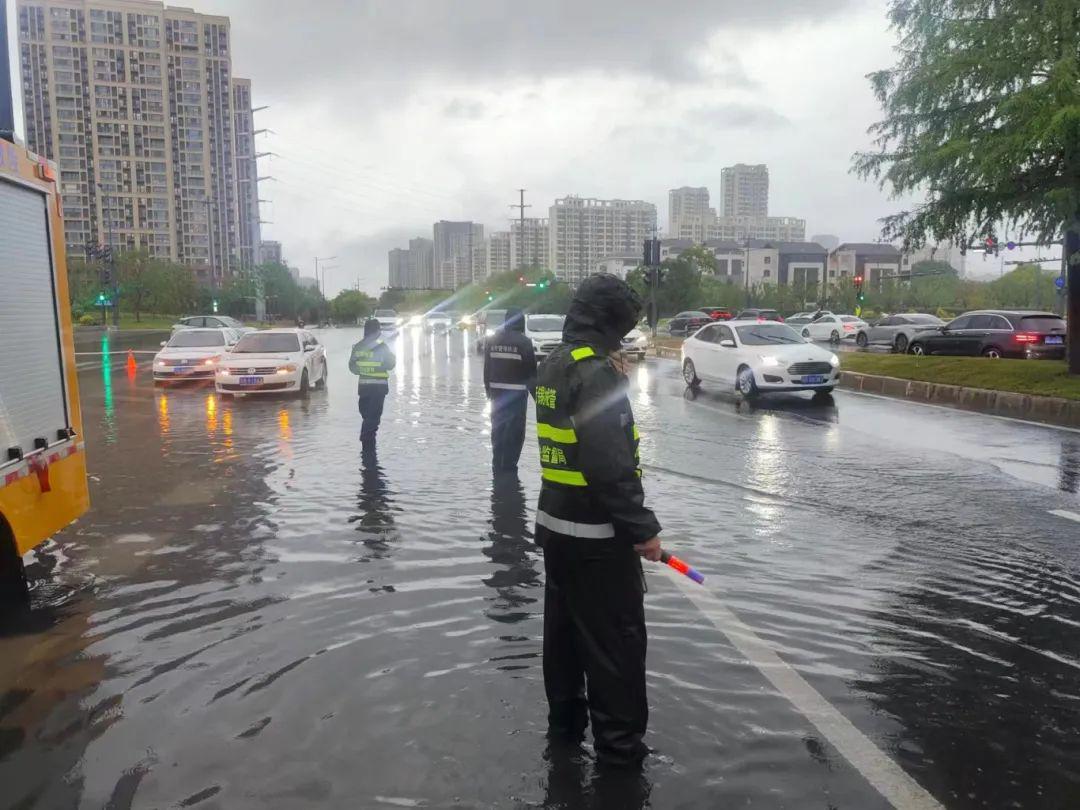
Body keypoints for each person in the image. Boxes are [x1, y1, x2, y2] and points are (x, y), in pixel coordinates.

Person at [533, 274, 662, 769]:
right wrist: (642, 529)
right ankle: (621, 753)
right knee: (616, 648)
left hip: (557, 532)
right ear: (609, 322)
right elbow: (609, 466)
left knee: (564, 644)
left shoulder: (553, 364)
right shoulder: (597, 375)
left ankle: (565, 733)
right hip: (599, 542)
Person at [483, 307, 537, 473]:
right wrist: (538, 400)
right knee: (514, 433)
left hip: (496, 395)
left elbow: (487, 369)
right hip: (516, 396)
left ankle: (497, 464)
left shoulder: (492, 341)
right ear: (522, 323)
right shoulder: (524, 343)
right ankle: (509, 467)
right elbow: (531, 374)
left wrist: (488, 392)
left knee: (497, 430)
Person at [348, 319, 396, 449]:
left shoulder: (358, 346)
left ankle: (367, 445)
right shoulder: (382, 346)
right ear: (376, 331)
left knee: (367, 416)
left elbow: (352, 367)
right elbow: (391, 364)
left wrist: (364, 370)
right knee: (373, 418)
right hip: (379, 388)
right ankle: (367, 445)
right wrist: (378, 368)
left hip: (364, 387)